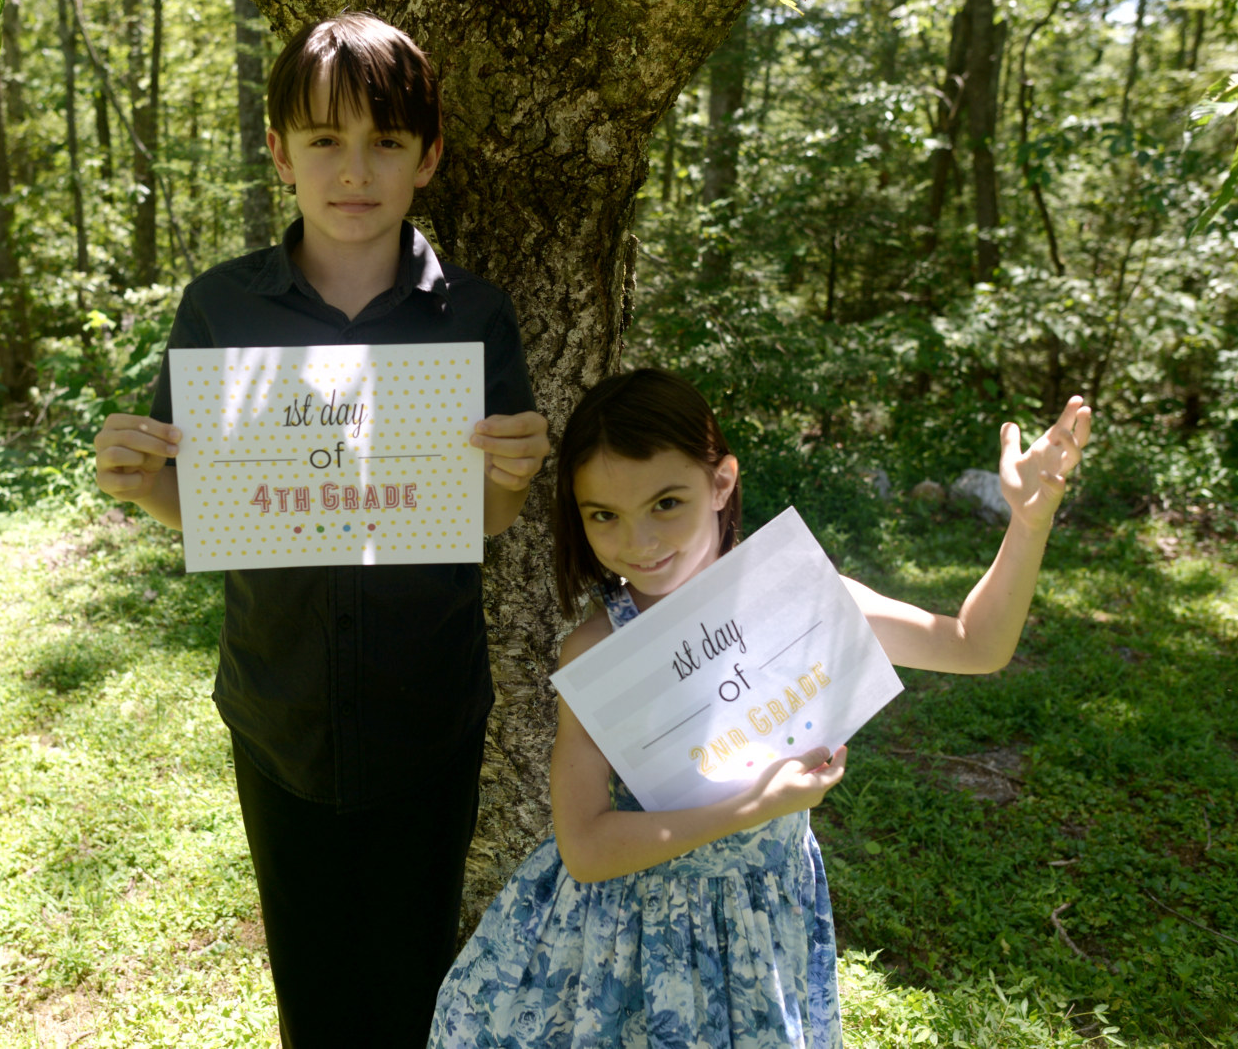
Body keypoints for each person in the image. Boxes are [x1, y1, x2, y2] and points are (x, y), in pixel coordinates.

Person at [92, 11, 550, 1049]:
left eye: (385, 141)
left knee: (414, 975)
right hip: (278, 706)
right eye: (324, 140)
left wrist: (514, 478)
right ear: (278, 151)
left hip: (426, 708)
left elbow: (481, 518)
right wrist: (140, 485)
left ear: (427, 157)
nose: (354, 170)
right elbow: (211, 508)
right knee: (309, 983)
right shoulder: (221, 310)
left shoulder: (472, 317)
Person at [430, 368, 1092, 1048]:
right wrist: (755, 806)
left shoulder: (799, 598)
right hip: (623, 942)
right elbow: (587, 848)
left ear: (721, 484)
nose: (639, 542)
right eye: (604, 515)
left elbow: (975, 645)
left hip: (759, 924)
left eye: (665, 503)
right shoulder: (601, 652)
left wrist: (1028, 521)